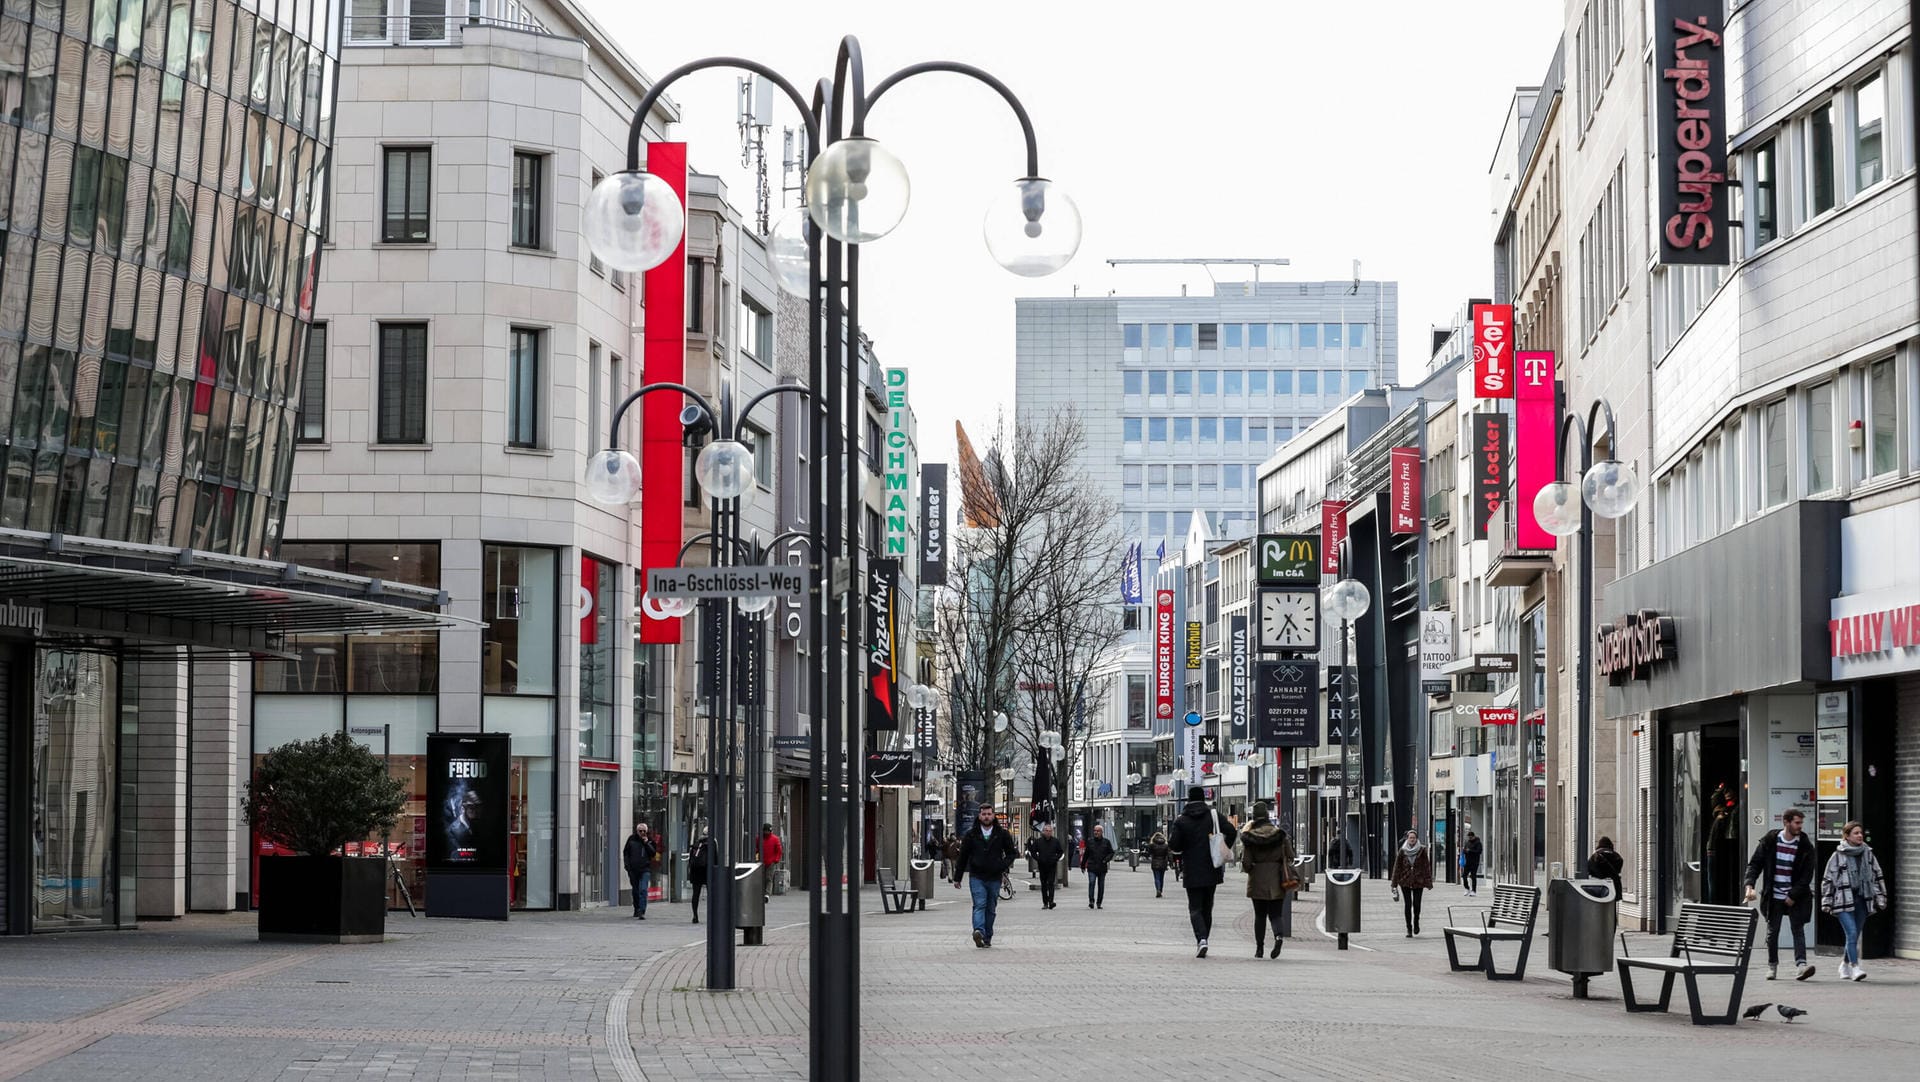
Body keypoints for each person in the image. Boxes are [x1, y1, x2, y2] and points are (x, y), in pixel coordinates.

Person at [1744, 807, 1818, 981]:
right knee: (1773, 931)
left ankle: (1801, 966)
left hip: (1796, 896)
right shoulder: (1770, 841)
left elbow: (1807, 875)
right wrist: (1749, 884)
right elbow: (1755, 864)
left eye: (1801, 822)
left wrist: (1793, 895)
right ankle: (1772, 966)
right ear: (1786, 822)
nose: (1800, 826)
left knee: (1797, 929)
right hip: (1774, 895)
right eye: (1797, 822)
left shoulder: (1806, 846)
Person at [1168, 795, 1238, 958]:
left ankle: (1202, 939)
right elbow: (1231, 831)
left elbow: (1175, 845)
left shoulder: (1181, 821)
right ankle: (1205, 937)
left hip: (1192, 870)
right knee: (1207, 906)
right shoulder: (1213, 815)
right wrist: (1224, 846)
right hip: (1211, 868)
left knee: (1195, 908)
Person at [1819, 821, 1889, 981]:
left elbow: (1877, 875)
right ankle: (1855, 967)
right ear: (1847, 836)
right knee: (1851, 932)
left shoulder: (1868, 853)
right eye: (1856, 833)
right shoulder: (1837, 856)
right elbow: (1828, 879)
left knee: (1854, 935)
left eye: (1860, 833)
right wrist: (1826, 901)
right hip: (1842, 900)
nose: (1860, 835)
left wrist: (1881, 896)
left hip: (1862, 899)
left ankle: (1843, 964)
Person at [949, 805, 1018, 947]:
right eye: (983, 814)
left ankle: (987, 936)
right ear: (979, 816)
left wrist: (1002, 865)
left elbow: (1012, 853)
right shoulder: (971, 834)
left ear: (993, 816)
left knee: (991, 908)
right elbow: (963, 856)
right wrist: (958, 877)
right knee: (979, 904)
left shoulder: (1002, 834)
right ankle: (979, 931)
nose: (986, 817)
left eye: (989, 814)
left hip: (994, 876)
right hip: (977, 876)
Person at [1238, 802, 1298, 959]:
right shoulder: (1279, 834)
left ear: (1254, 817)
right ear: (1267, 816)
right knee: (1276, 915)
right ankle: (1278, 937)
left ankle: (1259, 949)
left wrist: (1252, 869)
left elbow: (1246, 863)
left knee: (1259, 915)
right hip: (1277, 879)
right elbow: (1291, 855)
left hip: (1257, 880)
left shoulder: (1250, 837)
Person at [1389, 830, 1434, 937]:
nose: (1412, 839)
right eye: (1410, 838)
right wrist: (1394, 883)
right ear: (1407, 839)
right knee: (1408, 905)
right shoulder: (1402, 850)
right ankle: (1409, 928)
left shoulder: (1422, 850)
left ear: (1416, 839)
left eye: (1414, 838)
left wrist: (1428, 881)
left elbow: (1426, 866)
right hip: (1405, 880)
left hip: (1418, 881)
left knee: (1417, 904)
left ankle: (1416, 922)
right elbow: (1397, 867)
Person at [622, 822, 658, 920]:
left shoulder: (650, 841)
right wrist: (627, 865)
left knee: (643, 889)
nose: (642, 833)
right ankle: (636, 908)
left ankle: (642, 911)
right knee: (635, 890)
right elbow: (626, 853)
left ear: (647, 831)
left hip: (645, 869)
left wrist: (646, 843)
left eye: (644, 831)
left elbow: (653, 853)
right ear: (636, 831)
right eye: (640, 831)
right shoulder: (631, 839)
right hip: (633, 869)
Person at [1029, 821, 1065, 909]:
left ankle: (1051, 901)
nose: (1048, 832)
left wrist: (1055, 858)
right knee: (1044, 884)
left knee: (1051, 883)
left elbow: (1060, 852)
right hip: (1042, 865)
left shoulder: (1055, 841)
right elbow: (1033, 852)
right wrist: (1038, 859)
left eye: (1050, 831)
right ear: (1043, 832)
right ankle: (1045, 902)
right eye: (1046, 831)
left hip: (1052, 866)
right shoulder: (1038, 841)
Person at [1082, 824, 1116, 909]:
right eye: (1095, 831)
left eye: (1098, 831)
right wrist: (1083, 865)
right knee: (1092, 883)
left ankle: (1099, 902)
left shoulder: (1106, 842)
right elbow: (1086, 854)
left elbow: (1111, 853)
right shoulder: (1090, 842)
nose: (1096, 832)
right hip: (1092, 866)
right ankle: (1091, 901)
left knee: (1101, 886)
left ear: (1101, 832)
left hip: (1102, 867)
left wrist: (1106, 860)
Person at [687, 831, 711, 924]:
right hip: (707, 871)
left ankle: (695, 915)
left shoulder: (697, 843)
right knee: (711, 895)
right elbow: (716, 859)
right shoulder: (712, 843)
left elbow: (690, 859)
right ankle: (711, 915)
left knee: (696, 894)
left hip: (696, 872)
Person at [1148, 831, 1171, 897]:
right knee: (1161, 878)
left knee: (1156, 877)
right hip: (1163, 862)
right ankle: (1160, 890)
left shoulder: (1152, 845)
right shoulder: (1166, 845)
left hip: (1155, 862)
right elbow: (1169, 854)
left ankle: (1157, 889)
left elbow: (1149, 852)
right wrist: (1171, 862)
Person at [1460, 831, 1483, 897]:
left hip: (1474, 862)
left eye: (1470, 837)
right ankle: (1467, 888)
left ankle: (1473, 891)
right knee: (1464, 875)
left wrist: (1470, 851)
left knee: (1473, 876)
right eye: (1468, 837)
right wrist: (1464, 851)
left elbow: (1479, 851)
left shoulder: (1478, 843)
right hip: (1467, 862)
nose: (1469, 838)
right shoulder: (1467, 842)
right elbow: (1464, 850)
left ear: (1473, 836)